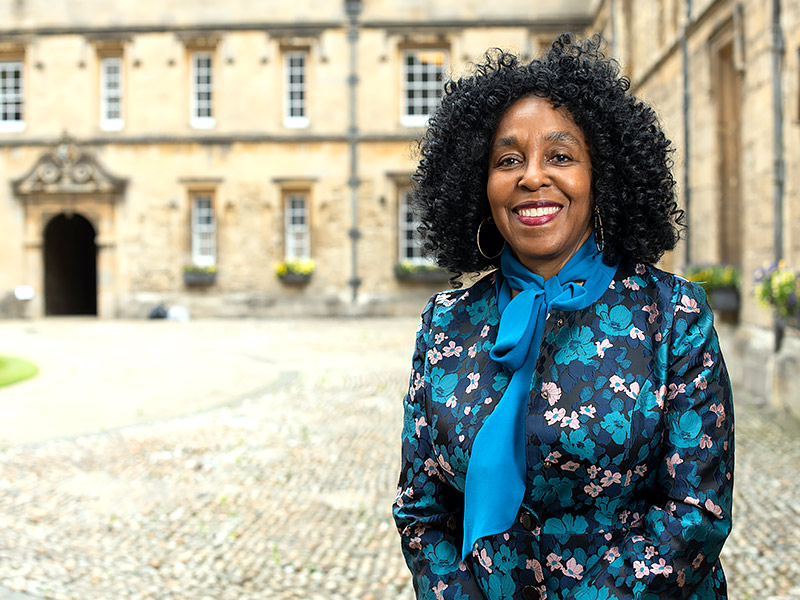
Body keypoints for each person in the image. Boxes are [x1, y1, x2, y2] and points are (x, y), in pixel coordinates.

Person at [392, 34, 734, 600]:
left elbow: (696, 514)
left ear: (601, 176)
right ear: (480, 185)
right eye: (508, 160)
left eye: (560, 156)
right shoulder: (445, 325)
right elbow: (421, 511)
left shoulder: (673, 315)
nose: (531, 177)